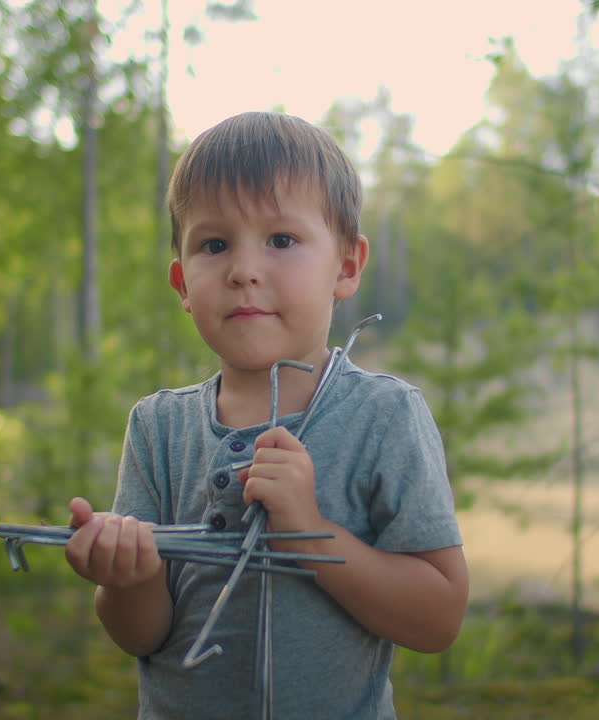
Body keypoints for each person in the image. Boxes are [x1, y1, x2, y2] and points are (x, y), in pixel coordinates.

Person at [64, 111, 468, 719]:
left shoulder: (383, 417)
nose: (243, 270)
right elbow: (141, 637)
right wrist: (126, 578)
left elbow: (438, 619)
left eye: (281, 240)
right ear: (181, 282)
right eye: (214, 244)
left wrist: (310, 533)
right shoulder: (158, 428)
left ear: (348, 265)